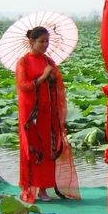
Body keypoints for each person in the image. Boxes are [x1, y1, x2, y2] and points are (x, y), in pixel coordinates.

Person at [15, 26, 80, 204]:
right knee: (34, 151)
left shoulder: (48, 60)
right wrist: (43, 77)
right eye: (41, 41)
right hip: (32, 116)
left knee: (48, 149)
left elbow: (56, 84)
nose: (45, 45)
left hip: (48, 114)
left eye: (47, 41)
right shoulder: (23, 62)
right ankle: (31, 187)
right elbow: (24, 86)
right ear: (31, 42)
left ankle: (44, 188)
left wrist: (52, 78)